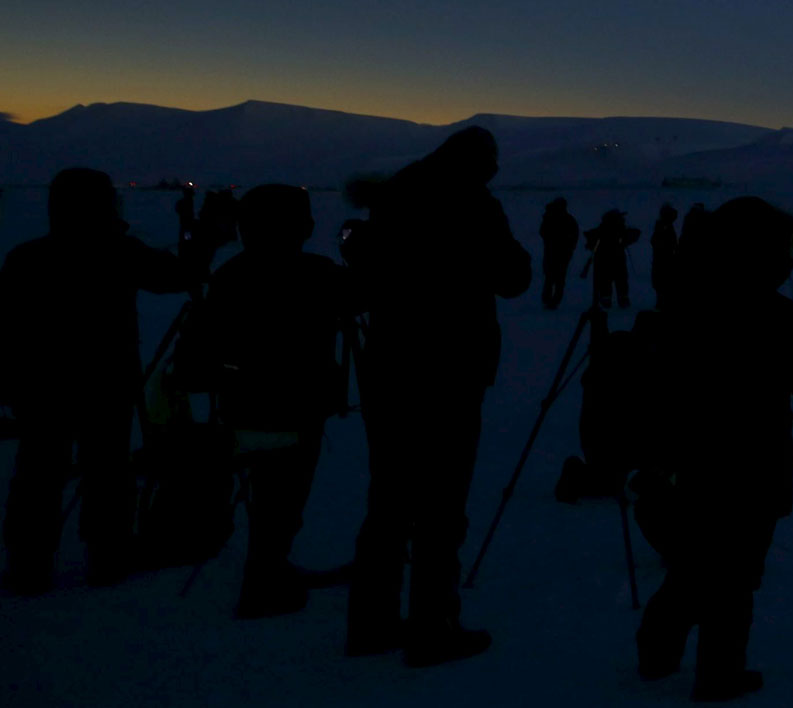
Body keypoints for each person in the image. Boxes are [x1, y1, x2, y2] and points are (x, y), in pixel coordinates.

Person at [634, 197, 793, 699]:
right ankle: (718, 673)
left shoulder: (687, 300)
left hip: (695, 459)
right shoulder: (771, 312)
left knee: (697, 562)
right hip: (751, 462)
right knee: (735, 574)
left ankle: (657, 651)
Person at [343, 126, 531, 667]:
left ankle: (372, 624)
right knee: (441, 503)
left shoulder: (396, 196)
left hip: (391, 365)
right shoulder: (473, 204)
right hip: (450, 367)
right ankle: (433, 628)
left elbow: (367, 272)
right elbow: (513, 277)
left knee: (389, 499)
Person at [1, 168, 197, 595]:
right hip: (107, 386)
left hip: (41, 389)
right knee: (107, 471)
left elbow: (7, 329)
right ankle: (107, 558)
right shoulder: (119, 253)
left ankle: (28, 564)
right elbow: (182, 275)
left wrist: (11, 385)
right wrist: (193, 230)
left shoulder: (26, 257)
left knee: (38, 473)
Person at [174, 184, 358, 618]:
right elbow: (368, 292)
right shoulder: (318, 273)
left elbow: (197, 359)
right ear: (303, 227)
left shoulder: (230, 275)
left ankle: (269, 568)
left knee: (270, 494)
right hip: (297, 412)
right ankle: (264, 584)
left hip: (242, 408)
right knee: (283, 498)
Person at [584, 209, 642, 310]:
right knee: (620, 279)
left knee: (607, 280)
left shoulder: (602, 230)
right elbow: (634, 235)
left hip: (604, 260)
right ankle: (620, 299)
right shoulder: (618, 230)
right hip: (616, 259)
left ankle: (609, 299)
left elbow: (590, 243)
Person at [539, 197, 580, 310]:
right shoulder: (558, 218)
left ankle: (551, 300)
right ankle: (550, 299)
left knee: (554, 278)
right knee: (555, 278)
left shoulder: (554, 218)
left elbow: (574, 236)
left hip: (558, 252)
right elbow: (543, 232)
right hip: (556, 252)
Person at [651, 203, 680, 304]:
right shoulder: (663, 226)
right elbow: (656, 242)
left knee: (665, 281)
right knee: (663, 281)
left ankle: (664, 300)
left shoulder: (666, 226)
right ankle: (662, 301)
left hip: (666, 258)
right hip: (663, 259)